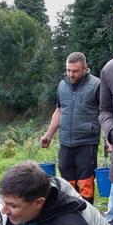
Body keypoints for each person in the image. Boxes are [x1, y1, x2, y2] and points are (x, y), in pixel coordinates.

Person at [41, 52, 101, 203]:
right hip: (66, 142)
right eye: (68, 70)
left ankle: (87, 218)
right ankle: (69, 217)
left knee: (85, 184)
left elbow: (104, 112)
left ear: (85, 69)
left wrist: (109, 139)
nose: (71, 74)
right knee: (67, 185)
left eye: (75, 71)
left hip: (87, 143)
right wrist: (48, 135)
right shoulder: (62, 86)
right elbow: (59, 111)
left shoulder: (96, 85)